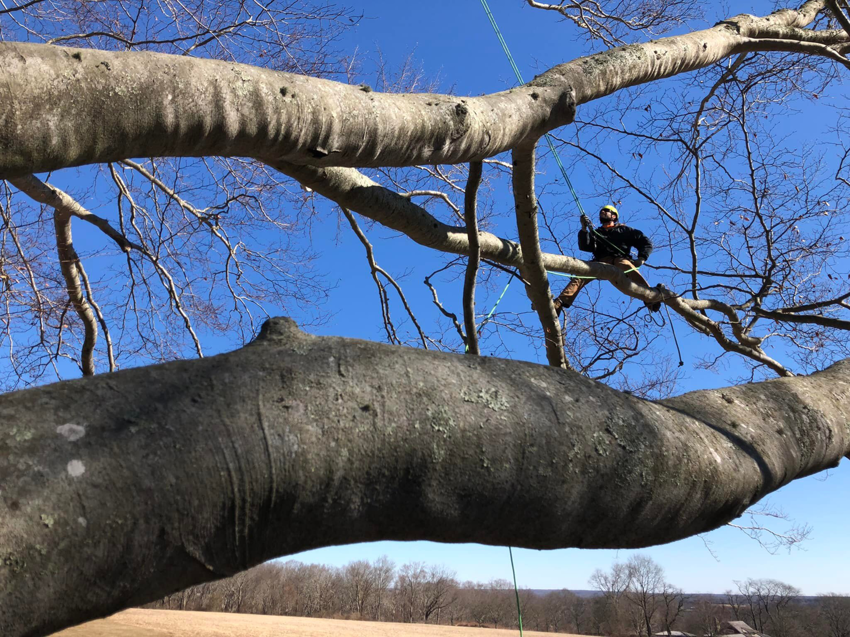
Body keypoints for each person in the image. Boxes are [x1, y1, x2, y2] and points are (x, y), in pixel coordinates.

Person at [554, 204, 661, 314]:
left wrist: (642, 258)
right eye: (601, 211)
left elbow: (645, 242)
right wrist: (584, 229)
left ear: (614, 216)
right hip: (600, 261)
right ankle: (560, 302)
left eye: (606, 211)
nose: (603, 212)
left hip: (619, 259)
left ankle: (650, 297)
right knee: (581, 276)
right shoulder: (596, 233)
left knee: (628, 267)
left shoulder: (625, 230)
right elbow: (585, 246)